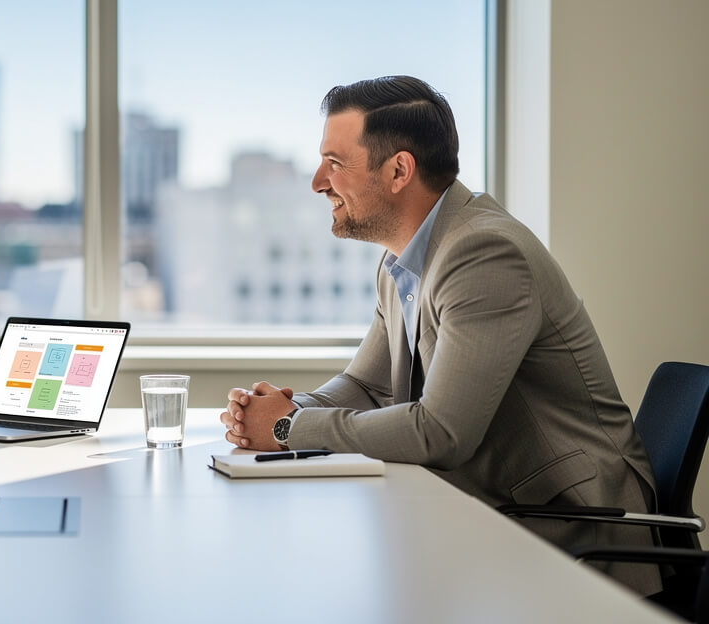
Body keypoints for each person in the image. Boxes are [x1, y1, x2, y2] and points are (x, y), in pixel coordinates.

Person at [220, 75, 660, 595]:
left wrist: (292, 429)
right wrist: (279, 409)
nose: (318, 181)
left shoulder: (485, 254)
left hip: (574, 531)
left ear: (399, 170)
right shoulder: (400, 262)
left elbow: (442, 433)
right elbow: (365, 385)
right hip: (498, 510)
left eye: (335, 164)